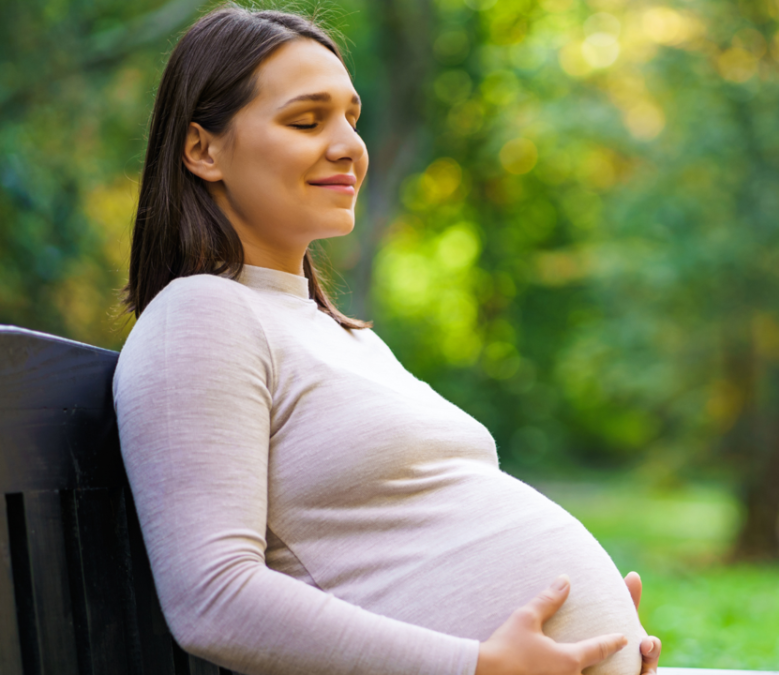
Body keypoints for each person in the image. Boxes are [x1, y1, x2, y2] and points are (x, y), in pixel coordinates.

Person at [112, 5, 663, 675]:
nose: (348, 144)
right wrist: (477, 664)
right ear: (203, 149)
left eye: (352, 116)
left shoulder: (338, 332)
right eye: (306, 120)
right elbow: (213, 597)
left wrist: (602, 631)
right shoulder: (201, 316)